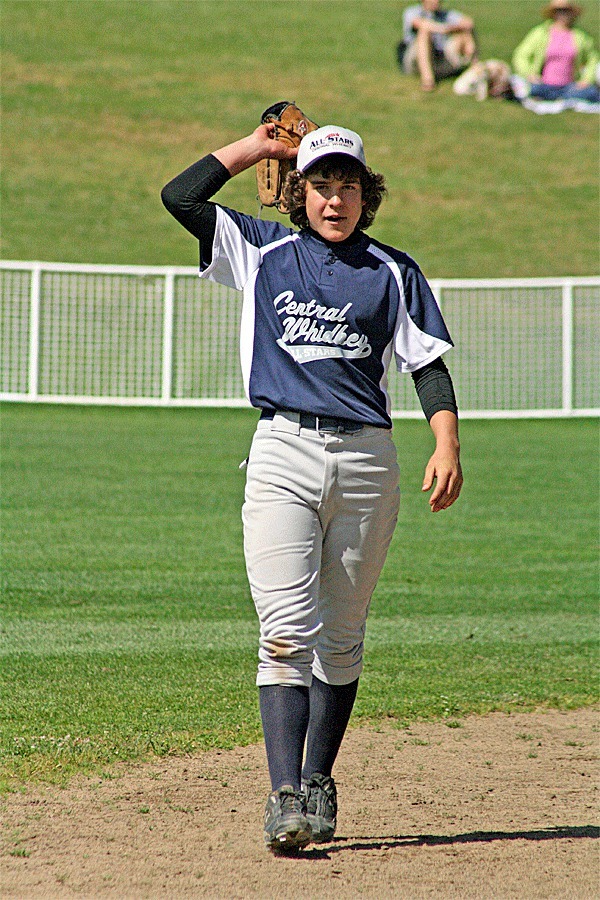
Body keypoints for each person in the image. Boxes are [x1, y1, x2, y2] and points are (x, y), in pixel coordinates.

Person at [161, 121, 463, 854]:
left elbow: (427, 364)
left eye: (347, 185)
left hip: (367, 463)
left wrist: (446, 440)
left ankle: (320, 778)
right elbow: (181, 197)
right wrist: (258, 148)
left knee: (343, 634)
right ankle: (284, 794)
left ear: (366, 195)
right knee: (285, 631)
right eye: (321, 184)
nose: (335, 198)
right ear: (301, 193)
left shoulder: (393, 270)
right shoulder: (261, 251)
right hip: (283, 453)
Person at [511, 0, 599, 103]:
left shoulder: (580, 37)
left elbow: (593, 59)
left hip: (569, 86)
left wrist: (586, 80)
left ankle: (561, 98)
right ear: (553, 13)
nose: (562, 15)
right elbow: (521, 55)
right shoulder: (540, 33)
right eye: (559, 11)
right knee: (533, 90)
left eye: (566, 11)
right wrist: (529, 74)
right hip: (543, 84)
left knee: (591, 92)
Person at [399, 0, 477, 91]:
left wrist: (457, 28)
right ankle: (427, 80)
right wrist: (445, 29)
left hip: (440, 56)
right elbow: (422, 24)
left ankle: (475, 69)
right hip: (415, 60)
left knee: (464, 34)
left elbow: (468, 22)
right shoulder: (412, 12)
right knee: (424, 33)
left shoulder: (445, 14)